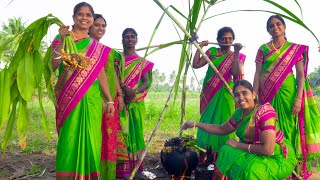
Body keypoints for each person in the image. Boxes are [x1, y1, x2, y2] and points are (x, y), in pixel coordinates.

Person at [182, 80, 297, 179]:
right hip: (254, 151)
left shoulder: (265, 113)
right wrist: (196, 124)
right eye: (236, 95)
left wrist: (237, 145)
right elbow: (221, 129)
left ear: (253, 94)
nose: (241, 98)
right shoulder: (238, 114)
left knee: (251, 170)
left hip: (278, 156)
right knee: (226, 151)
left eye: (244, 93)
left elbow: (268, 150)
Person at [51, 2, 115, 179]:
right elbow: (53, 64)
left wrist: (109, 99)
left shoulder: (96, 47)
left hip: (92, 99)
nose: (84, 18)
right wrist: (63, 39)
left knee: (92, 141)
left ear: (92, 19)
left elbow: (100, 73)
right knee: (68, 141)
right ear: (73, 18)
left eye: (88, 15)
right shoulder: (62, 39)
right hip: (69, 98)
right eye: (80, 14)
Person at [253, 14, 320, 178]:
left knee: (288, 127)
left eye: (278, 24)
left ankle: (288, 166)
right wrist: (255, 93)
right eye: (271, 26)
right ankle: (272, 164)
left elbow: (300, 75)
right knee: (268, 127)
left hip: (288, 93)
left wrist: (298, 99)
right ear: (268, 30)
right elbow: (257, 73)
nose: (275, 28)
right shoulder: (262, 48)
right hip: (266, 94)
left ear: (284, 26)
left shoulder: (294, 49)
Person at [192, 27, 246, 161]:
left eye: (230, 39)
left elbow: (235, 72)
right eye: (223, 39)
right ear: (218, 40)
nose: (227, 41)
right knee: (206, 120)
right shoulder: (212, 51)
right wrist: (199, 48)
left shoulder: (237, 55)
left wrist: (236, 52)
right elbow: (196, 65)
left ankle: (222, 155)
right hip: (209, 91)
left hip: (226, 92)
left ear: (233, 40)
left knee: (225, 122)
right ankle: (205, 154)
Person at [88, 14, 130, 179]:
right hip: (90, 98)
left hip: (109, 99)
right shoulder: (83, 47)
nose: (100, 28)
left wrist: (118, 95)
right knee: (93, 136)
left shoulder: (107, 52)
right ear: (90, 26)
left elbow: (112, 74)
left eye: (103, 25)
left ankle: (106, 174)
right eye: (97, 25)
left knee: (108, 137)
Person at [120, 28, 154, 172]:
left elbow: (146, 82)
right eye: (126, 37)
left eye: (132, 37)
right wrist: (123, 91)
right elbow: (112, 78)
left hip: (135, 102)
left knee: (136, 133)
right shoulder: (117, 59)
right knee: (121, 134)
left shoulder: (142, 63)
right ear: (122, 40)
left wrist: (133, 92)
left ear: (137, 40)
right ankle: (121, 166)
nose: (130, 39)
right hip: (120, 101)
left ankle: (135, 167)